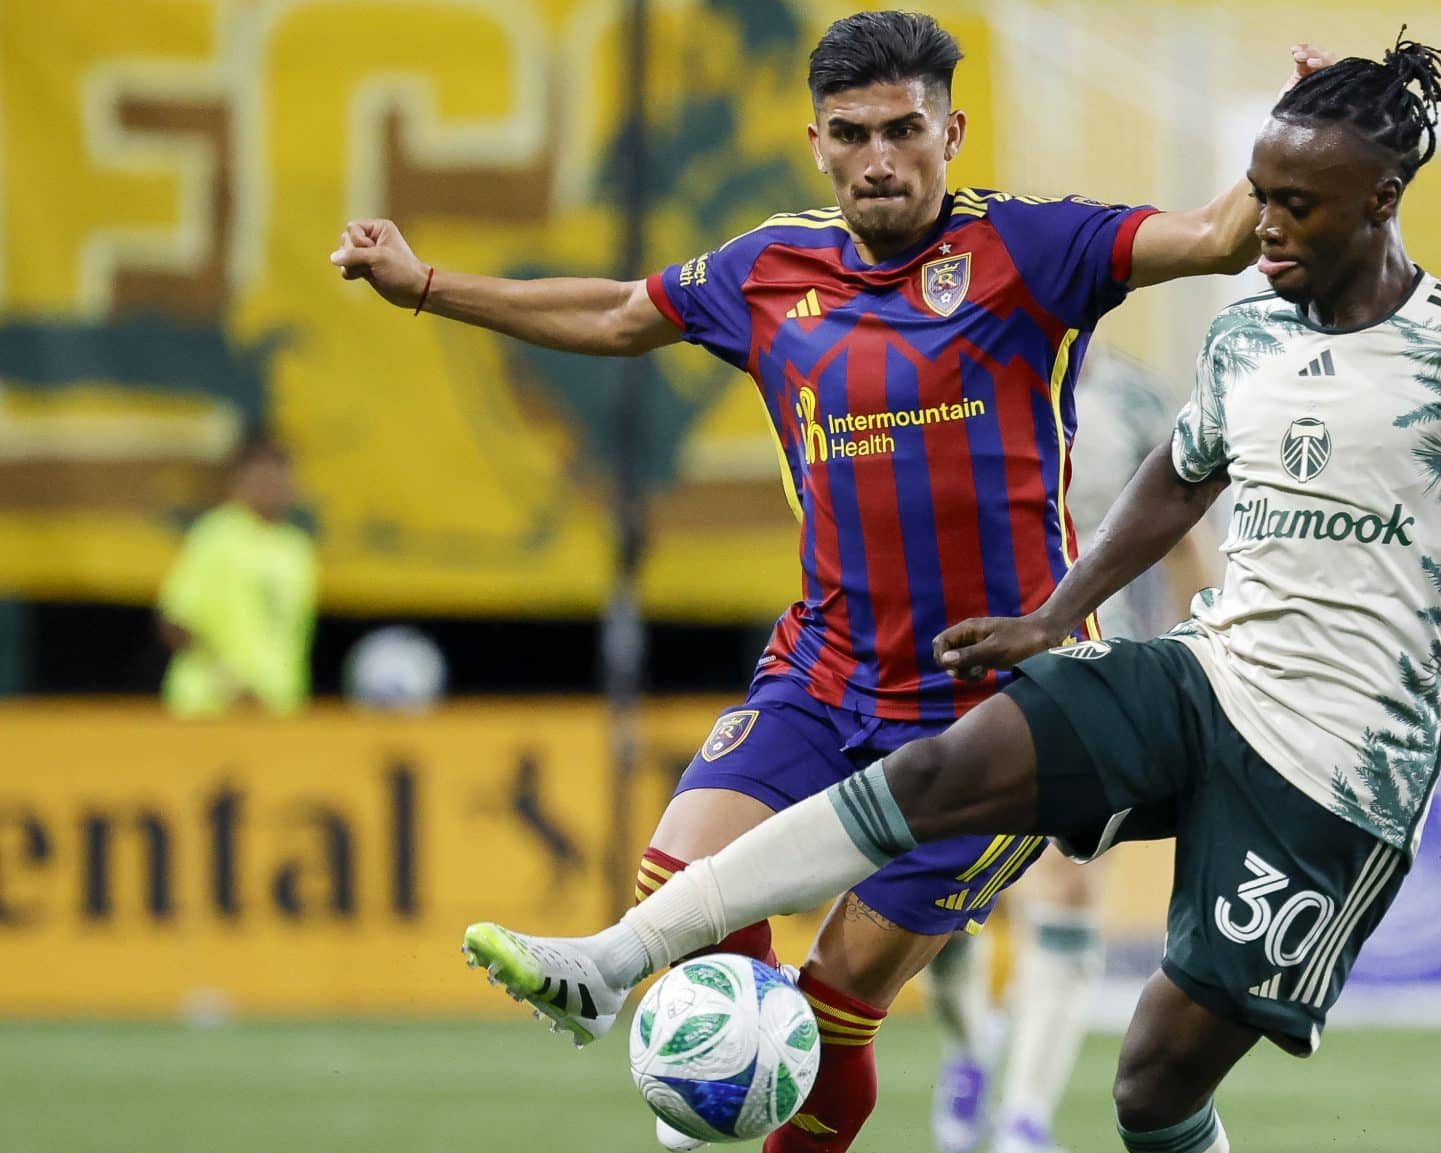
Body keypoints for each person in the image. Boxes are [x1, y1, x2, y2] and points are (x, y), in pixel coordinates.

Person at [465, 41, 1441, 1152]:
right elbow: (1174, 481)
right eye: (1264, 197)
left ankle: (1012, 1099)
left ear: (1380, 199)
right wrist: (1053, 619)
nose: (1267, 228)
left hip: (1334, 763)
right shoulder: (1246, 340)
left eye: (1294, 204)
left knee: (1151, 1085)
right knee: (929, 780)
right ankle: (614, 964)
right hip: (1188, 676)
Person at [333, 12, 1328, 1151]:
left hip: (1002, 714)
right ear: (815, 143)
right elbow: (617, 312)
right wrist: (425, 286)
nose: (879, 159)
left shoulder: (1032, 249)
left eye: (905, 130)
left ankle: (759, 1055)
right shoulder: (766, 271)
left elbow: (1215, 237)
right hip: (825, 669)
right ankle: (722, 1041)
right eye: (852, 134)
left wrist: (1298, 132)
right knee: (677, 881)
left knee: (835, 1002)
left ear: (952, 133)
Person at [926, 349, 1220, 1153]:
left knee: (1070, 880)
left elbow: (1186, 536)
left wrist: (1210, 667)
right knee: (933, 882)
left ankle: (1025, 1119)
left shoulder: (1136, 400)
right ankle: (970, 1040)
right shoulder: (959, 374)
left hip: (1095, 674)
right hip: (968, 662)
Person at [157, 433, 317, 717]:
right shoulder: (218, 535)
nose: (271, 488)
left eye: (278, 479)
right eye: (261, 479)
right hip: (209, 709)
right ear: (239, 483)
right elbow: (175, 621)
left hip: (276, 712)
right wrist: (228, 683)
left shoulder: (297, 551)